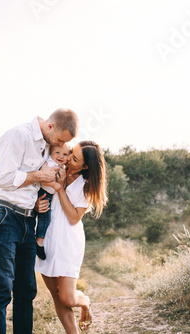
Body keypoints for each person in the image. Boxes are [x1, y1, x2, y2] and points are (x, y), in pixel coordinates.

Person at [0, 108, 79, 334]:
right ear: (50, 126)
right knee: (1, 289)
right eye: (61, 139)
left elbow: (33, 185)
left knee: (26, 290)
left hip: (27, 220)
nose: (60, 145)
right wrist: (40, 176)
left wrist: (37, 200)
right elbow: (3, 178)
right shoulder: (19, 135)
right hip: (2, 215)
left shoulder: (47, 145)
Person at [35, 140, 108, 333]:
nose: (67, 159)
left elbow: (74, 217)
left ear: (84, 166)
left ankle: (83, 301)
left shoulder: (86, 186)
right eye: (70, 153)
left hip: (68, 242)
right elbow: (34, 192)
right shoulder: (54, 165)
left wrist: (59, 189)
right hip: (46, 237)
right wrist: (36, 205)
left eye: (74, 159)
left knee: (67, 297)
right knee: (56, 295)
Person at [35, 144, 71, 260]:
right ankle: (39, 242)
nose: (61, 156)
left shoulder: (59, 165)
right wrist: (55, 185)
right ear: (51, 153)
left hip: (48, 194)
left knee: (42, 217)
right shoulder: (50, 164)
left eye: (65, 154)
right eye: (57, 153)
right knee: (45, 218)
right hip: (43, 193)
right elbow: (43, 178)